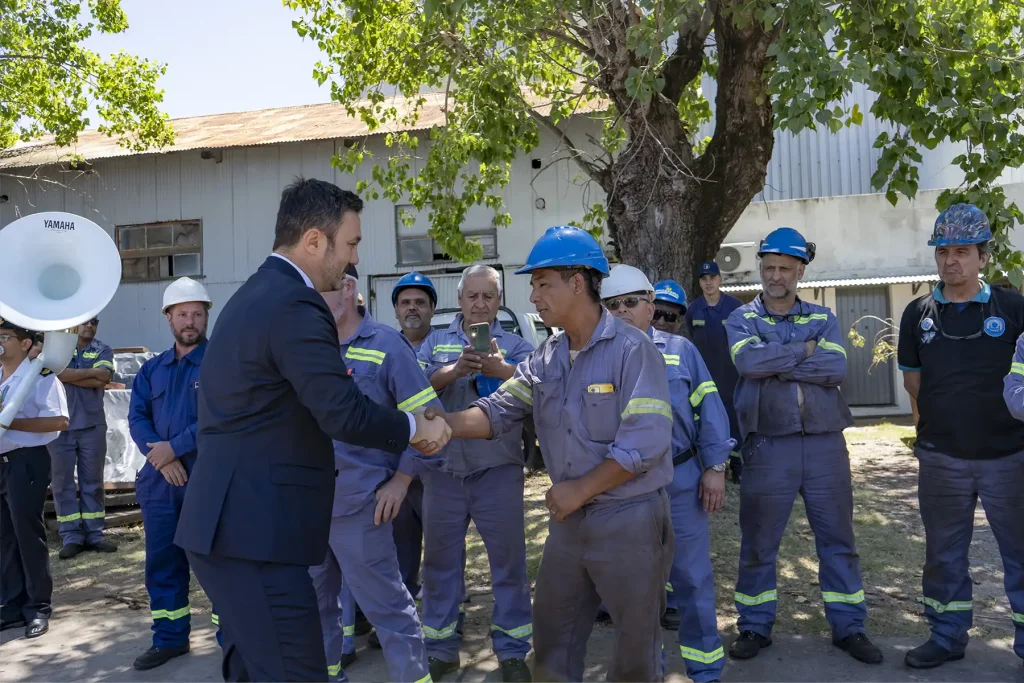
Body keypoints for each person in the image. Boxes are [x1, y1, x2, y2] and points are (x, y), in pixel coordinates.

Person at [174, 177, 451, 682]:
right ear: (314, 241)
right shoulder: (295, 305)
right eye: (351, 244)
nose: (354, 260)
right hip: (255, 536)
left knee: (252, 666)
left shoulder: (253, 296)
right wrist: (414, 426)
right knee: (295, 670)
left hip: (231, 528)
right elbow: (341, 411)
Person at [438, 226, 674, 682]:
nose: (533, 296)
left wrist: (579, 490)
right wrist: (438, 426)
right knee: (552, 637)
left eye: (542, 283)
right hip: (570, 521)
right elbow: (498, 410)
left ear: (577, 283)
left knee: (634, 649)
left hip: (629, 518)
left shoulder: (633, 350)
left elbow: (645, 444)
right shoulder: (546, 356)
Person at [725, 227, 882, 665]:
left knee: (838, 540)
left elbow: (835, 368)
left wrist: (780, 358)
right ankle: (754, 627)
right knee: (759, 541)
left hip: (824, 445)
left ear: (800, 271)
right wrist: (803, 351)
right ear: (761, 268)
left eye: (785, 269)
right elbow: (747, 362)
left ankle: (849, 628)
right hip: (767, 444)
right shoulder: (740, 318)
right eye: (769, 267)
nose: (776, 276)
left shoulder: (822, 317)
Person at [899, 203, 1024, 669]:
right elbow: (913, 384)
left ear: (983, 257)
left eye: (963, 251)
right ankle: (947, 636)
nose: (951, 261)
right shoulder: (918, 314)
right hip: (942, 460)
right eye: (943, 251)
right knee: (943, 555)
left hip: (1009, 457)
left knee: (1021, 553)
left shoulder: (1014, 308)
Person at [601, 265, 734, 683]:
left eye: (631, 303)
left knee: (693, 580)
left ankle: (705, 670)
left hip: (682, 481)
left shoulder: (681, 351)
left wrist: (714, 468)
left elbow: (710, 410)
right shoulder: (595, 358)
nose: (622, 311)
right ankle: (647, 672)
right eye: (613, 305)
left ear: (649, 306)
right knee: (637, 588)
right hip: (625, 488)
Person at [309, 266, 437, 683]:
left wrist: (402, 479)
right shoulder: (308, 347)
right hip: (308, 507)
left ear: (348, 289)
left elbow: (428, 420)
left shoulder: (386, 345)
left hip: (362, 506)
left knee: (389, 610)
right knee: (314, 606)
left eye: (319, 291)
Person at [416, 265, 535, 683]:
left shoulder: (519, 345)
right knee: (440, 566)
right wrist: (455, 370)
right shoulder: (435, 342)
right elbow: (414, 388)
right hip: (443, 472)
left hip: (497, 469)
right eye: (472, 296)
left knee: (509, 565)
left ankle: (513, 651)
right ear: (460, 299)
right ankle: (441, 649)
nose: (480, 303)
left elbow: (538, 391)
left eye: (488, 296)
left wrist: (500, 369)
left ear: (499, 301)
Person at [128, 277, 222, 670]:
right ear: (168, 318)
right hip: (160, 483)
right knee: (163, 563)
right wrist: (162, 459)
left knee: (218, 562)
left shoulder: (222, 363)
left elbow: (218, 417)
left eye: (197, 314)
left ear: (205, 318)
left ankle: (233, 638)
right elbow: (136, 418)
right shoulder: (151, 370)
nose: (190, 320)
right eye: (182, 313)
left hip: (207, 480)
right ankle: (169, 639)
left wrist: (175, 448)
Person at [0, 318, 69, 639]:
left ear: (26, 343)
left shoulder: (41, 374)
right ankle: (12, 604)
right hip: (2, 463)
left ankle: (38, 606)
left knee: (27, 533)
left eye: (5, 336)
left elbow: (59, 420)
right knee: (4, 536)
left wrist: (11, 424)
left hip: (26, 461)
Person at [47, 315, 116, 559]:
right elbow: (51, 376)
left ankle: (95, 534)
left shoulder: (103, 349)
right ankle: (71, 536)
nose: (90, 325)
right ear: (75, 323)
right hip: (59, 428)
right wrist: (90, 375)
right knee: (62, 484)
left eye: (95, 322)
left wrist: (66, 374)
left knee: (93, 483)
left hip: (92, 426)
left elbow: (105, 378)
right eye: (86, 321)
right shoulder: (56, 348)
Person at [684, 263, 744, 483]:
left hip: (732, 376)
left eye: (712, 277)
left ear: (720, 280)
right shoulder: (694, 309)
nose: (708, 282)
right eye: (703, 278)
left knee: (735, 421)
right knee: (707, 421)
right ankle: (712, 465)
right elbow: (691, 332)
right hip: (705, 379)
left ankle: (737, 466)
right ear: (699, 282)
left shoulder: (734, 307)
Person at [394, 271, 437, 351]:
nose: (412, 307)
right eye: (406, 302)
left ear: (432, 308)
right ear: (396, 310)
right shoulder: (386, 348)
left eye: (419, 302)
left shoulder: (447, 345)